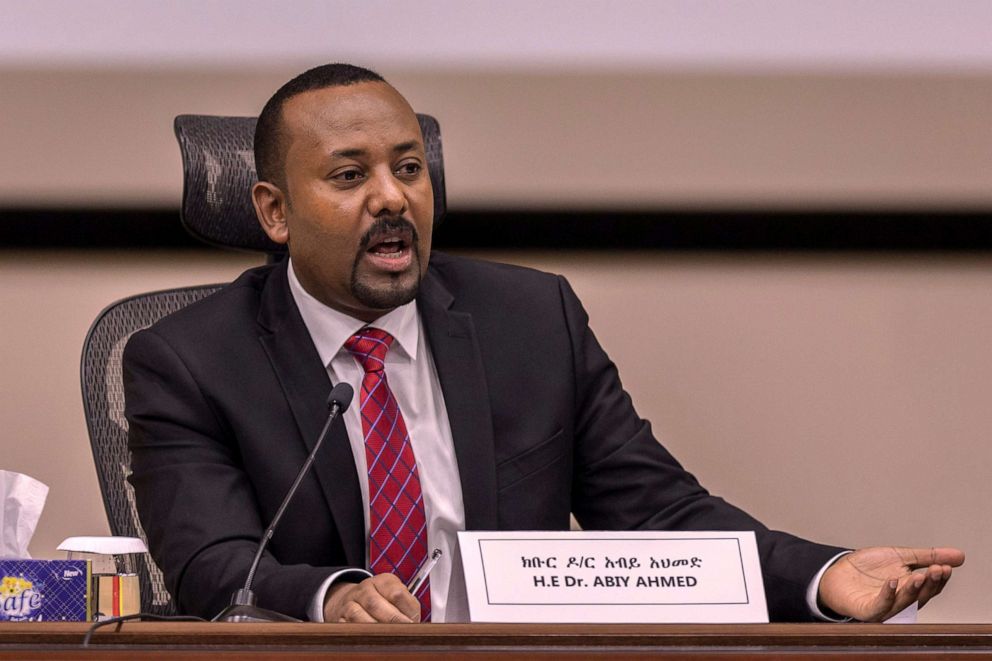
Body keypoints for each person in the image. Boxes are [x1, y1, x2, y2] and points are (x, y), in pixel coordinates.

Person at [123, 63, 963, 624]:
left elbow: (656, 514)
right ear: (273, 211)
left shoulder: (530, 318)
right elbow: (212, 562)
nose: (392, 198)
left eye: (410, 168)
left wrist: (822, 576)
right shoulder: (189, 360)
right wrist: (333, 595)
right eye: (349, 176)